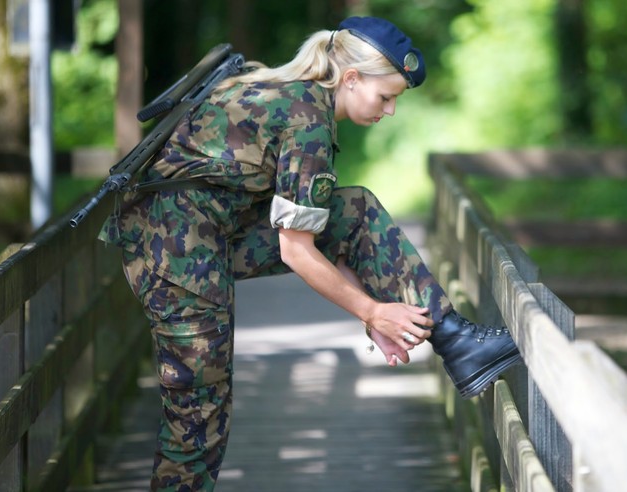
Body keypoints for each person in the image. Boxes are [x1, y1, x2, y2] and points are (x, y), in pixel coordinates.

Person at [99, 16, 522, 491]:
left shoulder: (296, 94)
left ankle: (455, 340)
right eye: (387, 97)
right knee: (198, 415)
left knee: (354, 210)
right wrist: (374, 312)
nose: (390, 111)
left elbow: (321, 230)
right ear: (352, 78)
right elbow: (296, 251)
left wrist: (371, 314)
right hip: (174, 252)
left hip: (207, 234)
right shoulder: (307, 119)